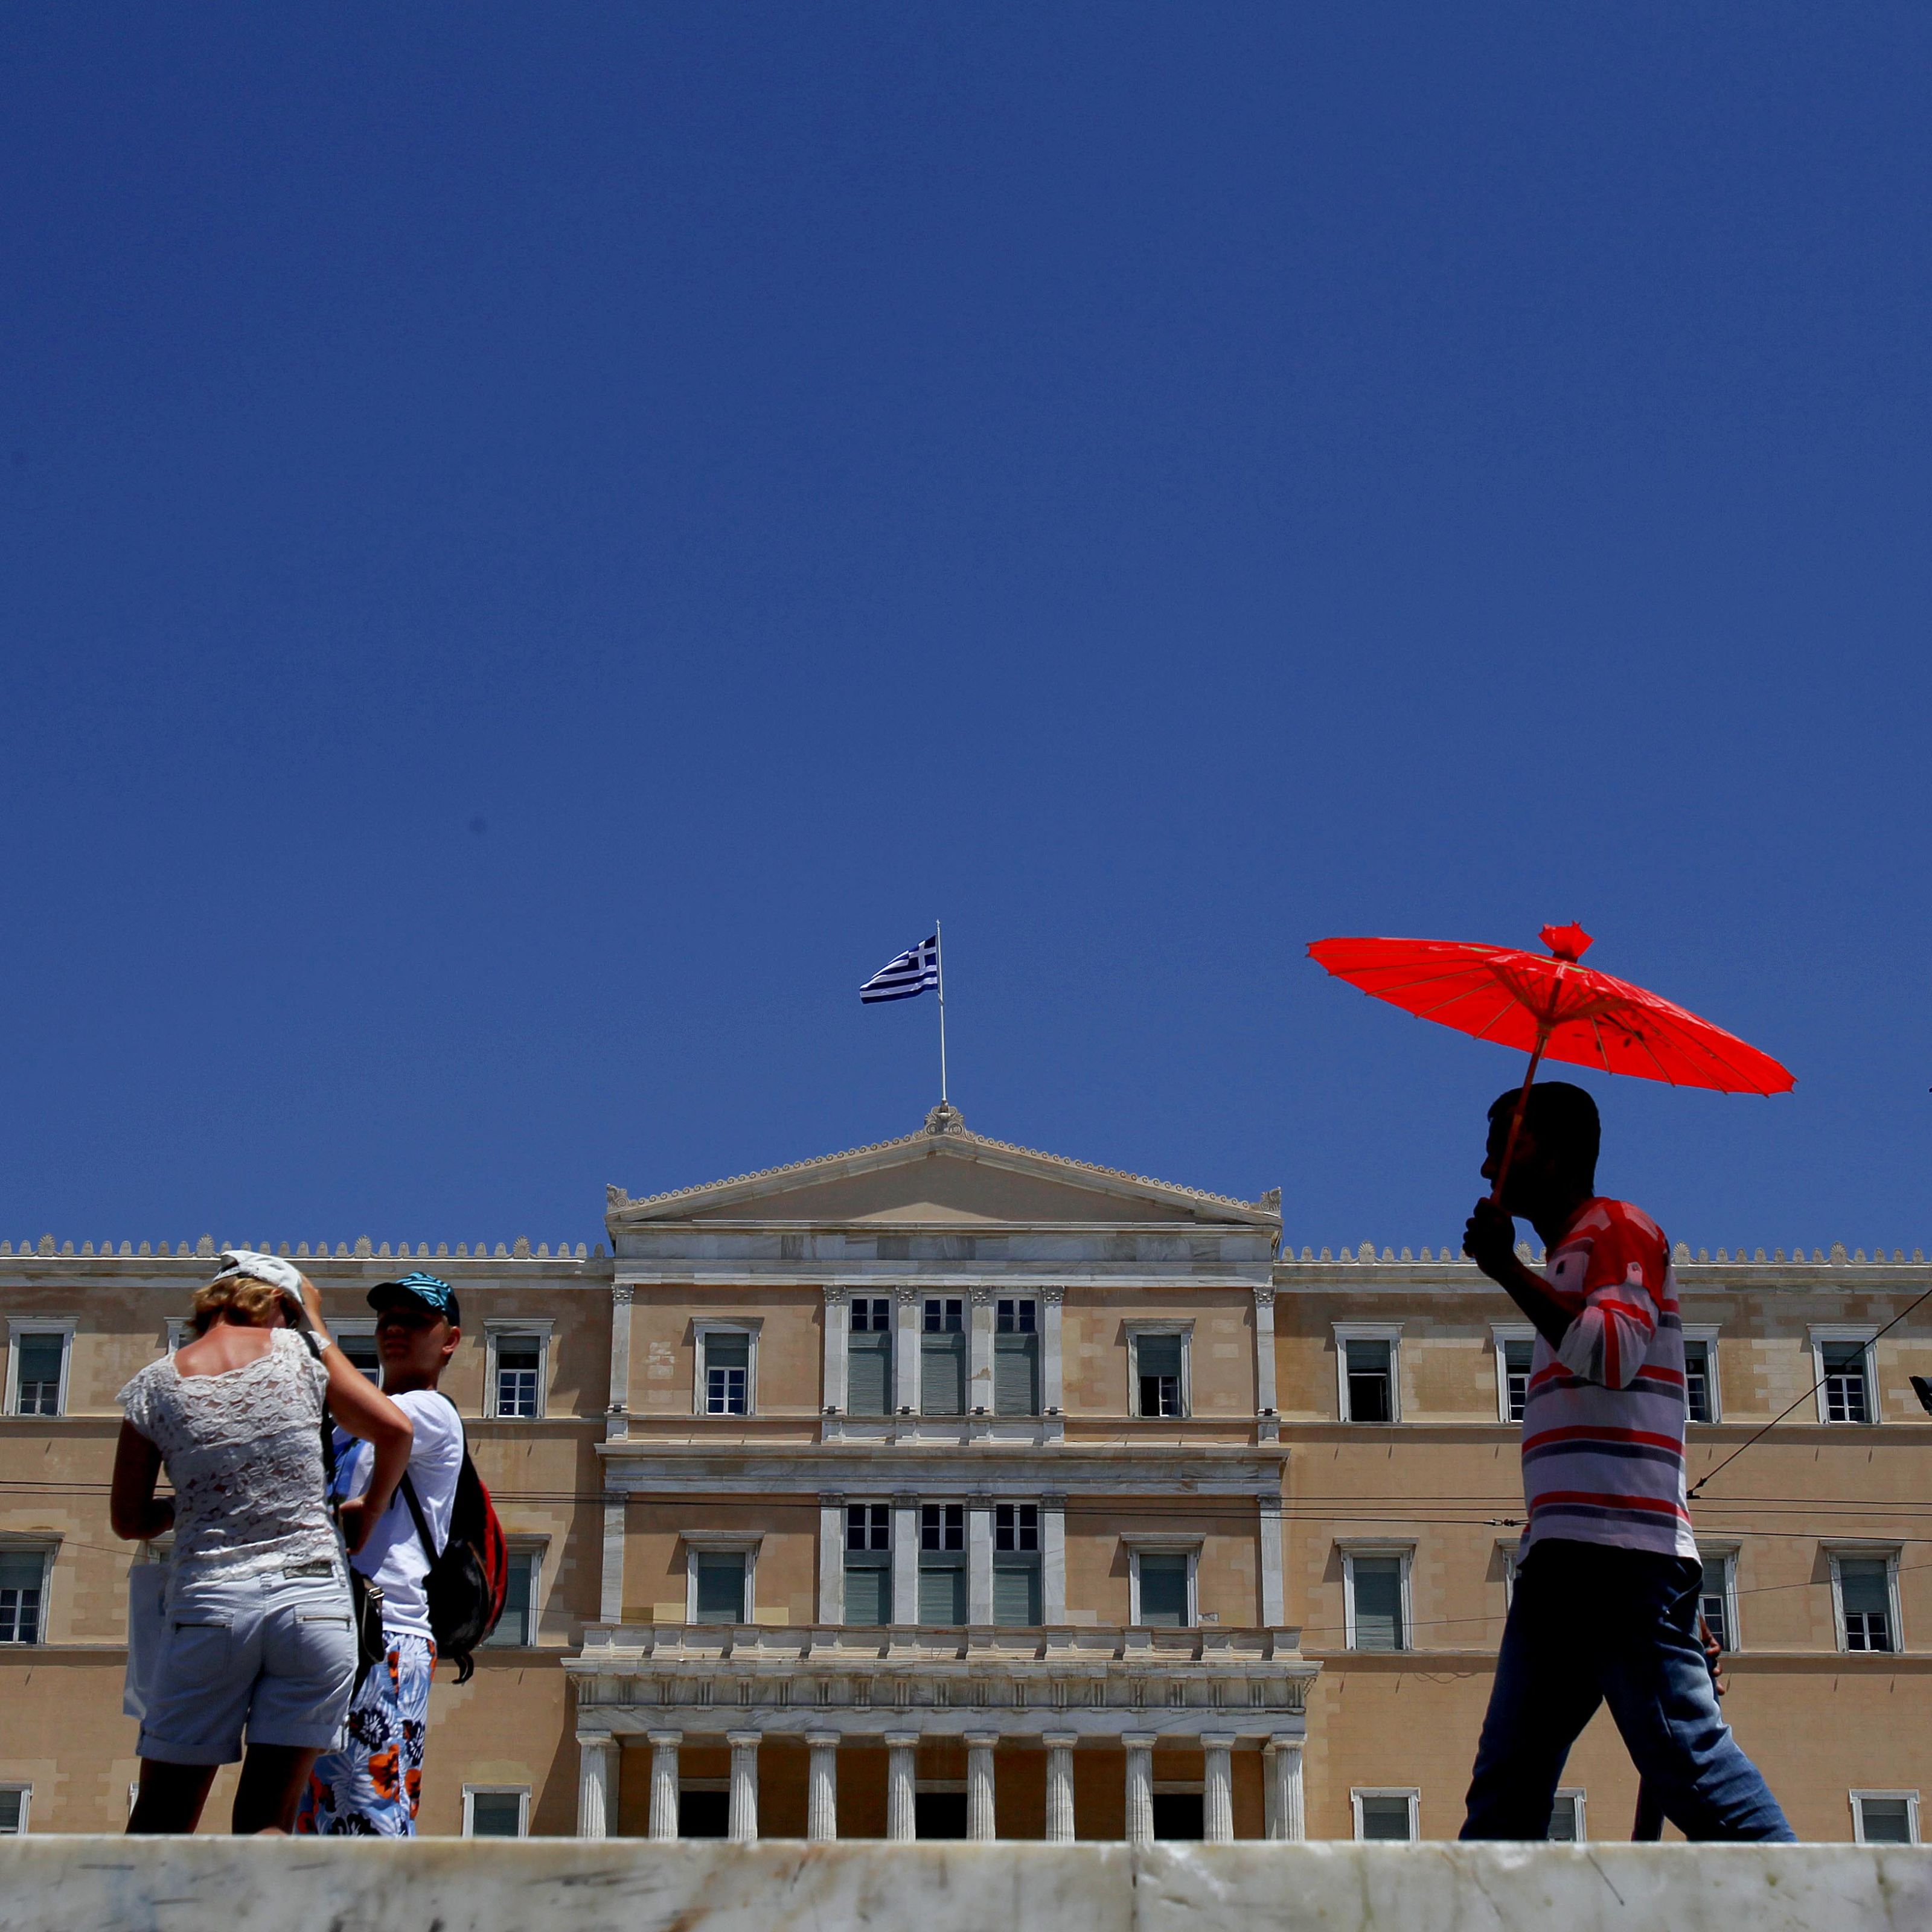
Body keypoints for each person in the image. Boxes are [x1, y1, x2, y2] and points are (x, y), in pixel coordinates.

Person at [1458, 1081, 1793, 1843]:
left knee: (1688, 1766)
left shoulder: (1617, 1228)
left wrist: (1507, 1271)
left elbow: (1611, 1354)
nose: (1485, 1168)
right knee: (1506, 1790)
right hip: (1573, 1557)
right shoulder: (1569, 1253)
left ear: (1553, 1147)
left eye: (1501, 1144)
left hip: (1612, 1561)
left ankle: (1812, 1905)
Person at [112, 1252, 414, 1835]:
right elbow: (394, 1429)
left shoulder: (153, 1387)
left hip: (212, 1606)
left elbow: (129, 1520)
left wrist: (192, 1501)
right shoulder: (300, 1355)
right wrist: (368, 1512)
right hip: (315, 1607)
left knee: (162, 1820)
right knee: (268, 1823)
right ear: (281, 1306)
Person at [295, 1272, 464, 1836]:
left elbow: (378, 1419)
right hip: (324, 1627)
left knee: (368, 1817)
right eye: (387, 1319)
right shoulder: (350, 1419)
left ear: (450, 1341)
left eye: (416, 1320)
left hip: (384, 1635)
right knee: (313, 1820)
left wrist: (311, 1322)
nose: (395, 1329)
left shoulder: (432, 1414)